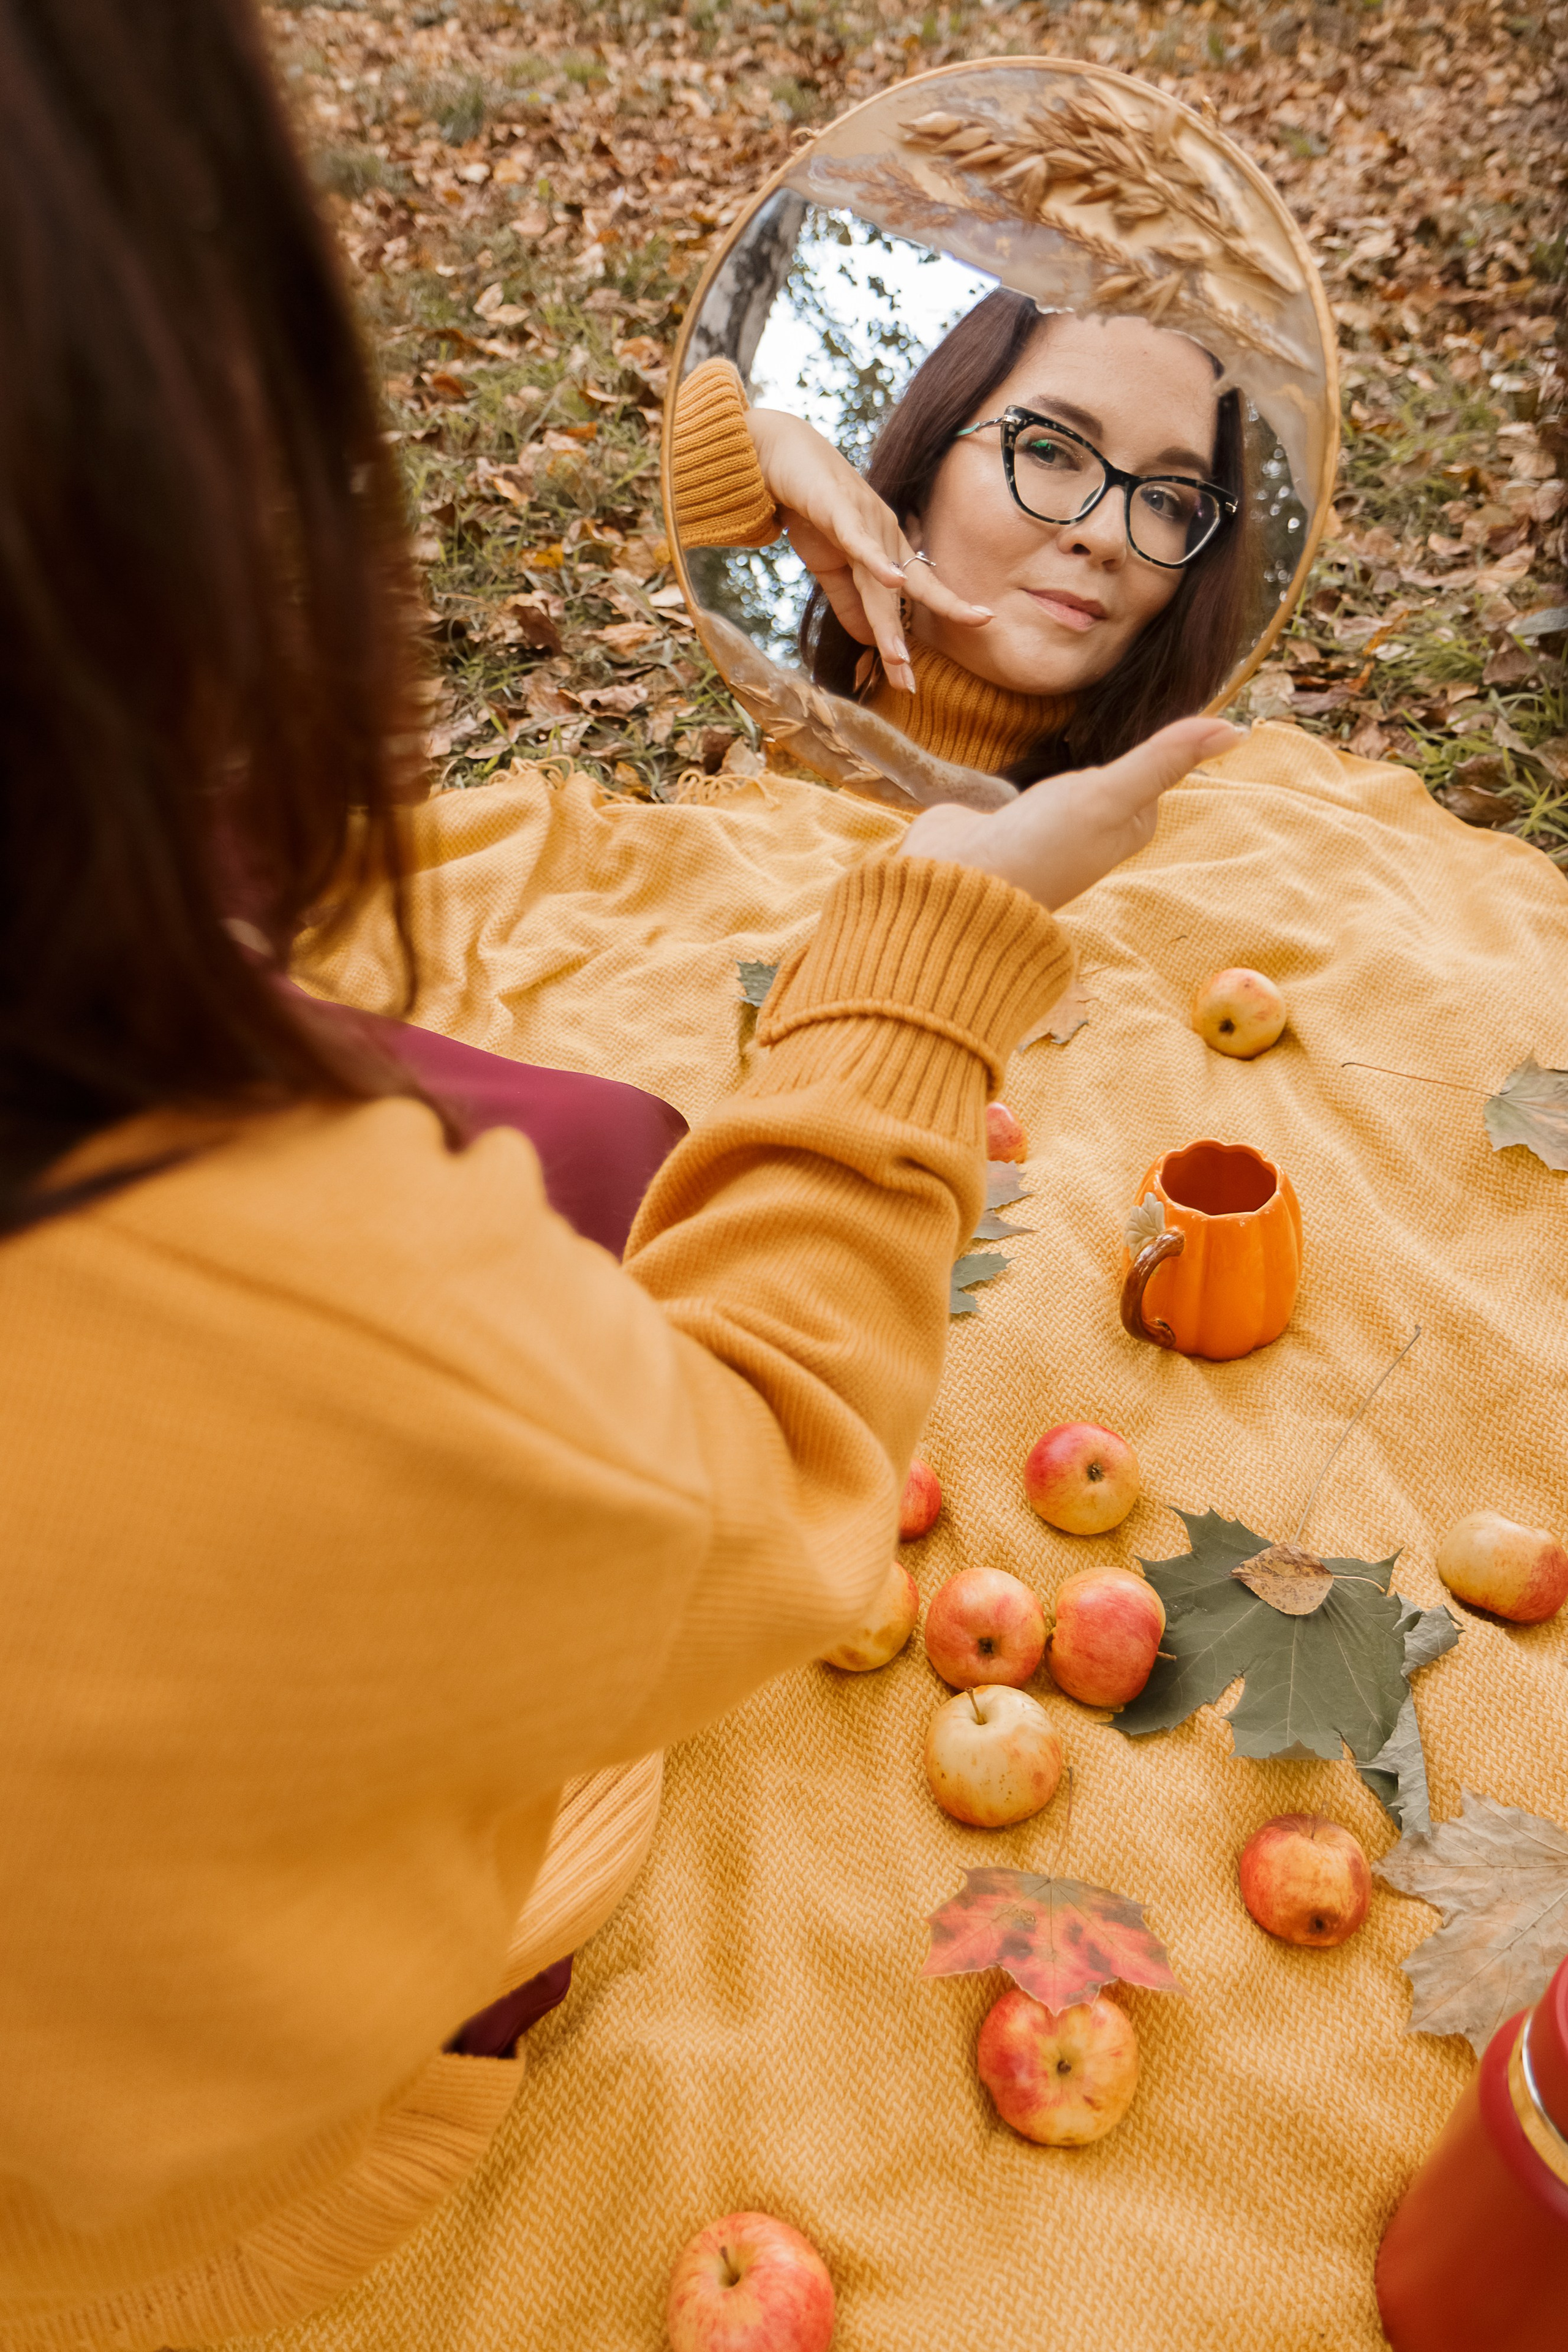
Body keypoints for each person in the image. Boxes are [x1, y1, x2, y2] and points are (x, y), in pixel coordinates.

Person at [0, 4, 1240, 2342]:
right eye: (1043, 449)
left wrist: (742, 437)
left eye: (1159, 498)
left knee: (605, 1144)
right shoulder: (280, 1316)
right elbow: (746, 1479)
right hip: (184, 2187)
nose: (1090, 534)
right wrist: (934, 948)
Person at [673, 289, 1251, 782]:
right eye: (1049, 450)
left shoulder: (1247, 826)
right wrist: (748, 448)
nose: (1104, 538)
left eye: (1164, 499)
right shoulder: (742, 828)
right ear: (921, 488)